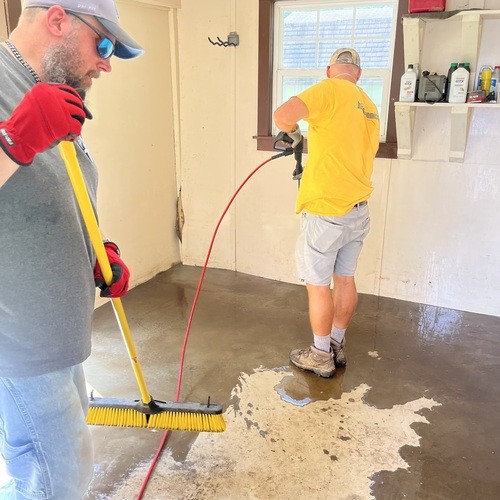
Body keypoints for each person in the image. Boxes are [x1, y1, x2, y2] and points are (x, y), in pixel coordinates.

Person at [0, 0, 143, 497]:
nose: (106, 62)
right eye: (103, 44)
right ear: (58, 19)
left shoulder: (44, 86)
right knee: (56, 478)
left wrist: (96, 251)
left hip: (56, 331)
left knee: (56, 466)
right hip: (18, 337)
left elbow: (50, 191)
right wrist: (12, 141)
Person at [274, 48, 379, 378]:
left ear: (329, 70)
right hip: (358, 210)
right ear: (358, 73)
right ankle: (336, 345)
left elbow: (282, 115)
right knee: (345, 279)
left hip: (326, 210)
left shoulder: (328, 89)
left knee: (318, 285)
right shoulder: (369, 106)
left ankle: (320, 355)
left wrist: (293, 130)